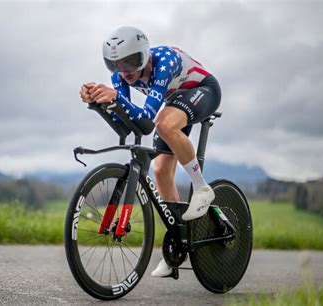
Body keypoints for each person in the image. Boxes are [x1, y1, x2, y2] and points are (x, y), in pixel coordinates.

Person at [79, 26, 222, 277]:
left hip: (203, 90)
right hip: (175, 101)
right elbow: (127, 121)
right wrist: (99, 103)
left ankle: (201, 188)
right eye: (115, 65)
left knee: (165, 123)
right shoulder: (120, 76)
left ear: (144, 55)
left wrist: (116, 98)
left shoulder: (163, 62)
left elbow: (146, 119)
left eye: (131, 62)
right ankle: (177, 240)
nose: (125, 71)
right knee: (160, 169)